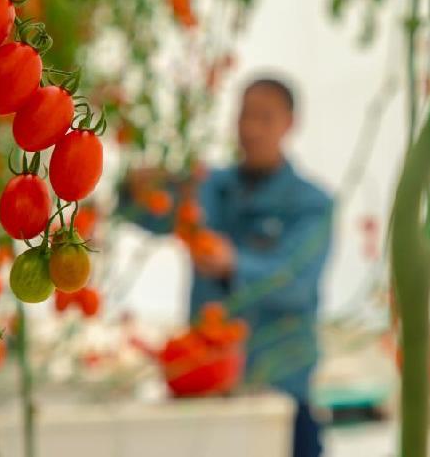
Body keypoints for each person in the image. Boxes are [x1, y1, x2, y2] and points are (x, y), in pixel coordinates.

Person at [125, 76, 333, 457]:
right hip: (208, 391)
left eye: (264, 117)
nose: (250, 128)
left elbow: (296, 283)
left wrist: (232, 265)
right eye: (244, 116)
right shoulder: (207, 186)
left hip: (280, 390)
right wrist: (133, 186)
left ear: (289, 124)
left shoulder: (312, 204)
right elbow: (149, 214)